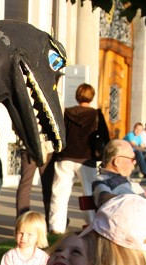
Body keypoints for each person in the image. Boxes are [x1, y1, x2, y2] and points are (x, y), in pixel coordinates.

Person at [48, 83, 109, 233]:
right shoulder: (96, 115)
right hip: (86, 158)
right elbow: (105, 137)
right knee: (89, 192)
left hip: (66, 156)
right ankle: (93, 224)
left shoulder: (67, 113)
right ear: (92, 96)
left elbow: (60, 133)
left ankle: (56, 226)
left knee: (59, 193)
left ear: (77, 96)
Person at [92, 139, 146, 208]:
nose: (135, 162)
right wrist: (135, 202)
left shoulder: (127, 180)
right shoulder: (103, 180)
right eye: (132, 159)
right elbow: (104, 199)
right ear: (117, 161)